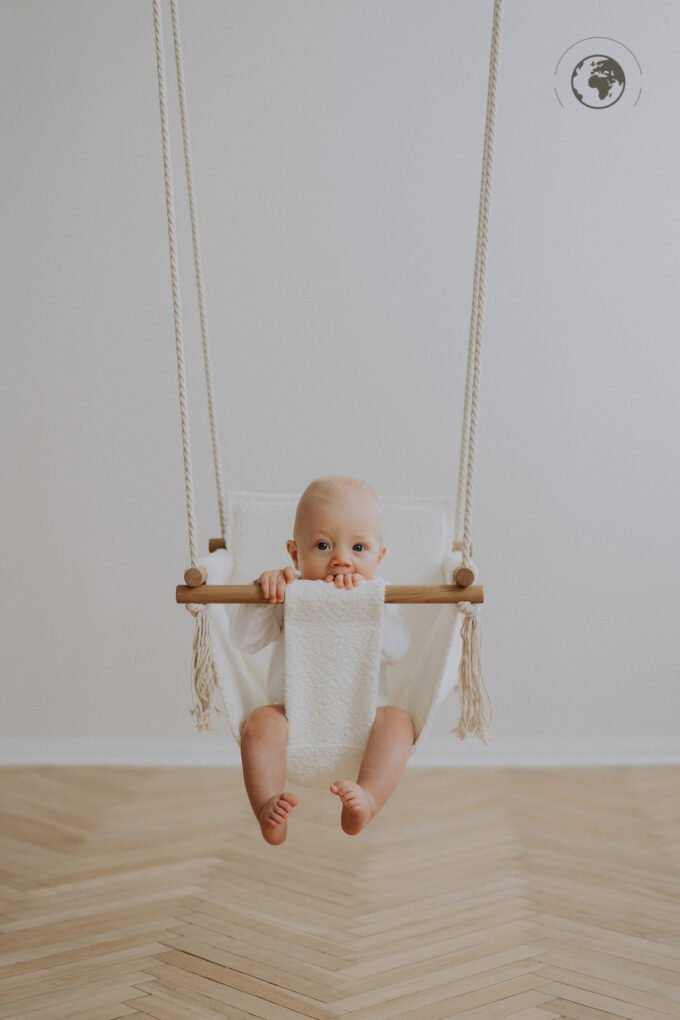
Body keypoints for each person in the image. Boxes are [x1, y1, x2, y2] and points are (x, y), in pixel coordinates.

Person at [230, 475, 414, 844]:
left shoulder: (378, 597)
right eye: (323, 545)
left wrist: (369, 605)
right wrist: (266, 594)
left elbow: (397, 651)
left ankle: (368, 798)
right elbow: (245, 641)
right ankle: (267, 807)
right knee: (261, 723)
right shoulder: (293, 594)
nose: (341, 559)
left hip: (365, 722)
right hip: (294, 722)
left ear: (380, 556)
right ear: (295, 554)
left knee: (398, 723)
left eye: (359, 547)